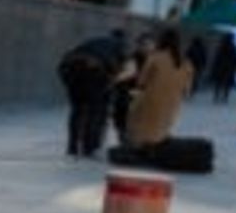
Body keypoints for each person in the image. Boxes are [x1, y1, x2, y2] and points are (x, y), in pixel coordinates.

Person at [56, 28, 127, 158]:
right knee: (95, 110)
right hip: (92, 70)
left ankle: (72, 146)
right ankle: (88, 147)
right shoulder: (119, 45)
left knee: (77, 109)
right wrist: (110, 86)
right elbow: (119, 71)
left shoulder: (95, 41)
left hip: (69, 67)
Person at [125, 28, 194, 151]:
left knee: (138, 122)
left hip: (151, 100)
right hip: (172, 102)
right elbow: (187, 88)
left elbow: (142, 81)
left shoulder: (155, 57)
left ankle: (140, 148)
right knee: (162, 126)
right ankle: (156, 148)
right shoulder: (186, 62)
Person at [209, 34, 236, 102]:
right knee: (227, 83)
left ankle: (216, 95)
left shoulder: (221, 46)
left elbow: (217, 57)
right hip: (229, 67)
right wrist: (235, 66)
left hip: (220, 66)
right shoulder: (233, 47)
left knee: (218, 82)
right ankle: (225, 97)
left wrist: (215, 66)